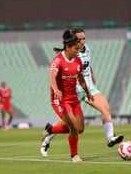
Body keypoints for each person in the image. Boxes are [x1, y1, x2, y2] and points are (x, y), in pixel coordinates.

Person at [40, 28, 124, 157]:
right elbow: (59, 71)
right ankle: (48, 138)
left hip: (88, 86)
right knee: (71, 124)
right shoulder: (70, 52)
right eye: (79, 39)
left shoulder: (86, 49)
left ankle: (110, 138)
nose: (82, 42)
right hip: (73, 89)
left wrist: (92, 73)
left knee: (106, 108)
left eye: (84, 39)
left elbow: (86, 64)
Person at [41, 29, 94, 162]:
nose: (78, 51)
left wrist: (87, 91)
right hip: (60, 100)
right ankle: (74, 155)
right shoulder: (58, 60)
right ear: (68, 47)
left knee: (80, 129)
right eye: (76, 48)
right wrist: (56, 89)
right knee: (74, 128)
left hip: (73, 99)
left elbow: (81, 78)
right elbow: (52, 76)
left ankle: (51, 129)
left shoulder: (77, 61)